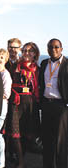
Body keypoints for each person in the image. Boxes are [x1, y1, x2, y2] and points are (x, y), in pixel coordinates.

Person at [6, 42, 40, 168]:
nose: (27, 53)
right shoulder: (15, 66)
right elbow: (8, 82)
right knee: (15, 133)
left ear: (35, 54)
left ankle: (21, 156)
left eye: (30, 51)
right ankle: (20, 161)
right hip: (16, 102)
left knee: (27, 133)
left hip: (31, 104)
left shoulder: (38, 69)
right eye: (25, 50)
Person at [39, 38, 68, 168]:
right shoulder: (45, 63)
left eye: (56, 47)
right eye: (50, 47)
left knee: (60, 142)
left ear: (61, 49)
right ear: (47, 49)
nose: (53, 49)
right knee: (47, 140)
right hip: (46, 105)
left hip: (61, 106)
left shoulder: (67, 64)